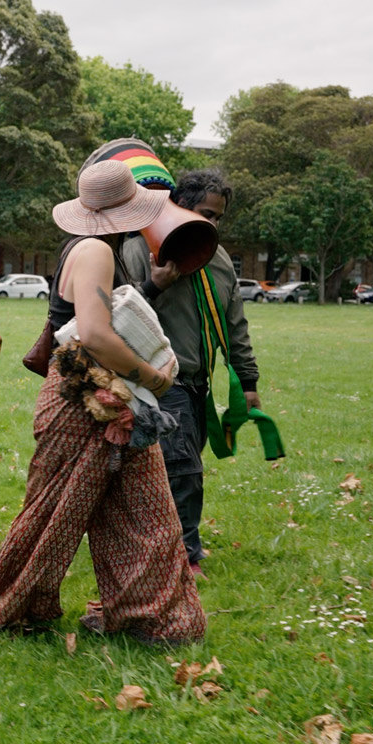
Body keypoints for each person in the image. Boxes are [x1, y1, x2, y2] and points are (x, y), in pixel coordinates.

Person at [0, 159, 205, 646]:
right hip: (85, 401)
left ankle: (149, 616)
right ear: (128, 212)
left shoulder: (94, 246)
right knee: (56, 514)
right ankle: (14, 608)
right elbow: (95, 334)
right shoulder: (96, 249)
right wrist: (154, 379)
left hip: (100, 397)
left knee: (142, 512)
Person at [122, 167, 260, 578]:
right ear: (179, 205)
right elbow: (118, 314)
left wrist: (248, 381)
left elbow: (235, 323)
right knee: (184, 469)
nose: (211, 223)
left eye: (218, 216)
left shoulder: (218, 259)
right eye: (204, 212)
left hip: (198, 383)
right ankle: (185, 557)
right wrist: (157, 283)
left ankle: (155, 541)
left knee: (176, 465)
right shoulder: (137, 248)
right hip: (160, 379)